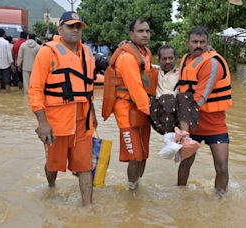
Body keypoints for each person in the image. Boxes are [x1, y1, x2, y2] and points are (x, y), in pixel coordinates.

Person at [28, 11, 96, 205]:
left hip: (83, 121)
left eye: (78, 27)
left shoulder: (87, 52)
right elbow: (35, 90)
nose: (75, 30)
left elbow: (88, 89)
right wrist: (42, 123)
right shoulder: (47, 52)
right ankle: (51, 188)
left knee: (85, 166)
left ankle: (87, 208)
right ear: (60, 29)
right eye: (71, 26)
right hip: (56, 123)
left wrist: (93, 115)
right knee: (53, 165)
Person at [177, 26, 233, 195]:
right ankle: (180, 195)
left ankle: (220, 200)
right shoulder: (186, 60)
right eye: (194, 42)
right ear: (188, 43)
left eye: (202, 42)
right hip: (192, 124)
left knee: (222, 167)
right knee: (185, 163)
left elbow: (199, 99)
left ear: (207, 43)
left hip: (214, 125)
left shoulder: (212, 63)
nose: (198, 45)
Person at [106, 19, 156, 191]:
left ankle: (137, 186)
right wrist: (155, 113)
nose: (145, 34)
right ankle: (132, 191)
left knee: (144, 155)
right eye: (140, 31)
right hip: (127, 111)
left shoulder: (146, 53)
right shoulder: (127, 57)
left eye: (147, 31)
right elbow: (135, 90)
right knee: (135, 156)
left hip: (142, 109)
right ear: (131, 34)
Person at [150, 44, 199, 162]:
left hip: (177, 113)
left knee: (184, 96)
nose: (168, 62)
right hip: (159, 111)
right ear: (158, 59)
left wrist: (209, 51)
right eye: (164, 59)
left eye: (171, 58)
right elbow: (138, 61)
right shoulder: (153, 71)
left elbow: (199, 67)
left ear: (176, 58)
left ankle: (183, 137)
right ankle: (168, 140)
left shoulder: (181, 73)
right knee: (168, 98)